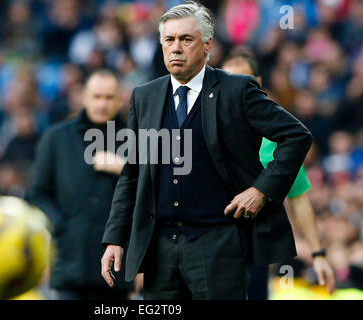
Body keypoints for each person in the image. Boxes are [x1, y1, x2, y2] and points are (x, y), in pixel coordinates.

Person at [101, 1, 312, 300]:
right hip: (160, 250)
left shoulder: (238, 90)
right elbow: (132, 173)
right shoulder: (143, 97)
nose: (176, 48)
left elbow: (296, 136)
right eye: (169, 40)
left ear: (207, 44)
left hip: (219, 244)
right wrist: (114, 238)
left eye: (186, 39)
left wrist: (261, 190)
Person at [222, 51, 335, 299]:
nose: (235, 89)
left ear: (258, 84)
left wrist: (318, 254)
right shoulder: (208, 130)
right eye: (228, 81)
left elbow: (298, 196)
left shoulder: (278, 137)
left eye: (244, 81)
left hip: (253, 251)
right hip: (211, 245)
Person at [26, 69, 133, 300]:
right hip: (69, 263)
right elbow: (37, 193)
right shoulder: (56, 138)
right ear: (84, 97)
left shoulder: (135, 139)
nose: (102, 104)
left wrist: (124, 169)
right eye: (96, 96)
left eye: (108, 97)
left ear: (119, 99)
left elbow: (154, 193)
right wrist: (62, 227)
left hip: (117, 266)